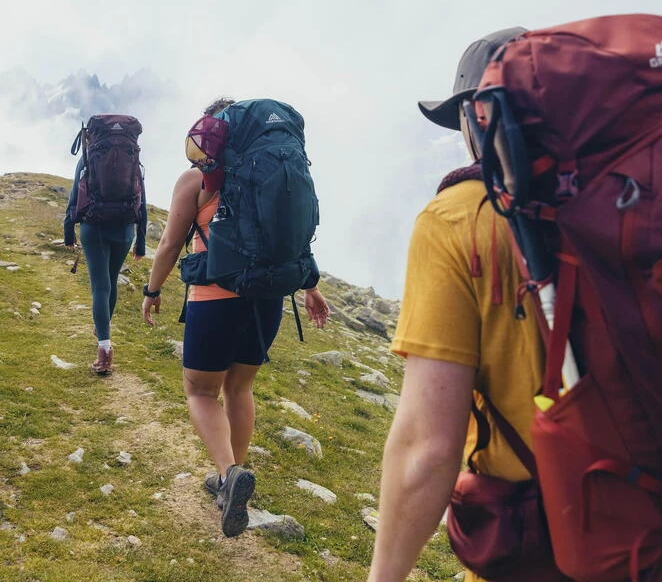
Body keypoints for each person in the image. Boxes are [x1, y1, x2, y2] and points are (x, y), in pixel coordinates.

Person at [367, 30, 567, 582]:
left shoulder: (457, 218)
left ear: (476, 119)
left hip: (551, 541)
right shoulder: (641, 201)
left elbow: (428, 449)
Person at [141, 97, 330, 539]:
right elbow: (292, 232)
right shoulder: (275, 175)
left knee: (200, 391)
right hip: (267, 295)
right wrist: (311, 286)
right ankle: (234, 477)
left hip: (214, 297)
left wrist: (152, 291)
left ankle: (228, 476)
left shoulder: (196, 181)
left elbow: (170, 243)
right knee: (240, 386)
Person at [64, 119, 147, 376]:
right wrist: (141, 243)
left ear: (90, 137)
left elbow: (73, 198)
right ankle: (104, 330)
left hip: (94, 228)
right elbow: (142, 200)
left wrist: (69, 233)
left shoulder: (88, 159)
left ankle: (104, 349)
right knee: (110, 281)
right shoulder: (133, 159)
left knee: (100, 285)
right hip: (124, 229)